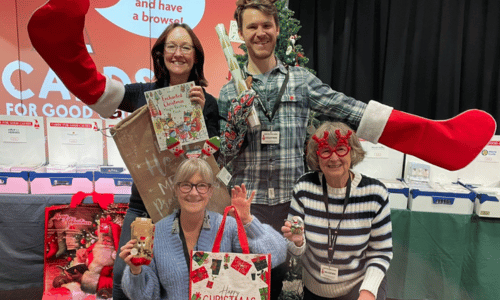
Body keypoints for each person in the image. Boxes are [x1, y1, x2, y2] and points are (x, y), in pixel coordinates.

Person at [217, 1, 493, 297]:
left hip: (292, 207)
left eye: (266, 25)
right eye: (252, 27)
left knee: (288, 288)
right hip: (248, 209)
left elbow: (346, 107)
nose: (260, 33)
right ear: (241, 34)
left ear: (277, 28)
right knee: (247, 290)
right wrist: (234, 123)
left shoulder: (300, 80)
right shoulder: (229, 90)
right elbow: (226, 155)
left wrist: (421, 131)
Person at [27, 4, 220, 299]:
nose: (177, 53)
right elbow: (97, 92)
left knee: (178, 278)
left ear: (195, 56)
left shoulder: (207, 102)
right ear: (161, 54)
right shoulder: (141, 93)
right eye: (171, 46)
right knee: (122, 275)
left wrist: (200, 113)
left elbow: (213, 159)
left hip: (185, 208)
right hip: (142, 204)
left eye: (185, 47)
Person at [119, 157, 287, 300]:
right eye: (186, 185)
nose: (193, 193)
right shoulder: (157, 232)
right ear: (176, 189)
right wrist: (135, 270)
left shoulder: (227, 226)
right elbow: (144, 296)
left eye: (201, 186)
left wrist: (248, 221)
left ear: (211, 191)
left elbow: (277, 255)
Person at [282, 122, 393, 300]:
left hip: (359, 287)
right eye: (325, 151)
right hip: (314, 289)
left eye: (341, 149)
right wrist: (297, 243)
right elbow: (294, 250)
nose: (334, 158)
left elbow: (381, 252)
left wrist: (368, 292)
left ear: (352, 151)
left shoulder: (374, 193)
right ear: (317, 157)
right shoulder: (304, 187)